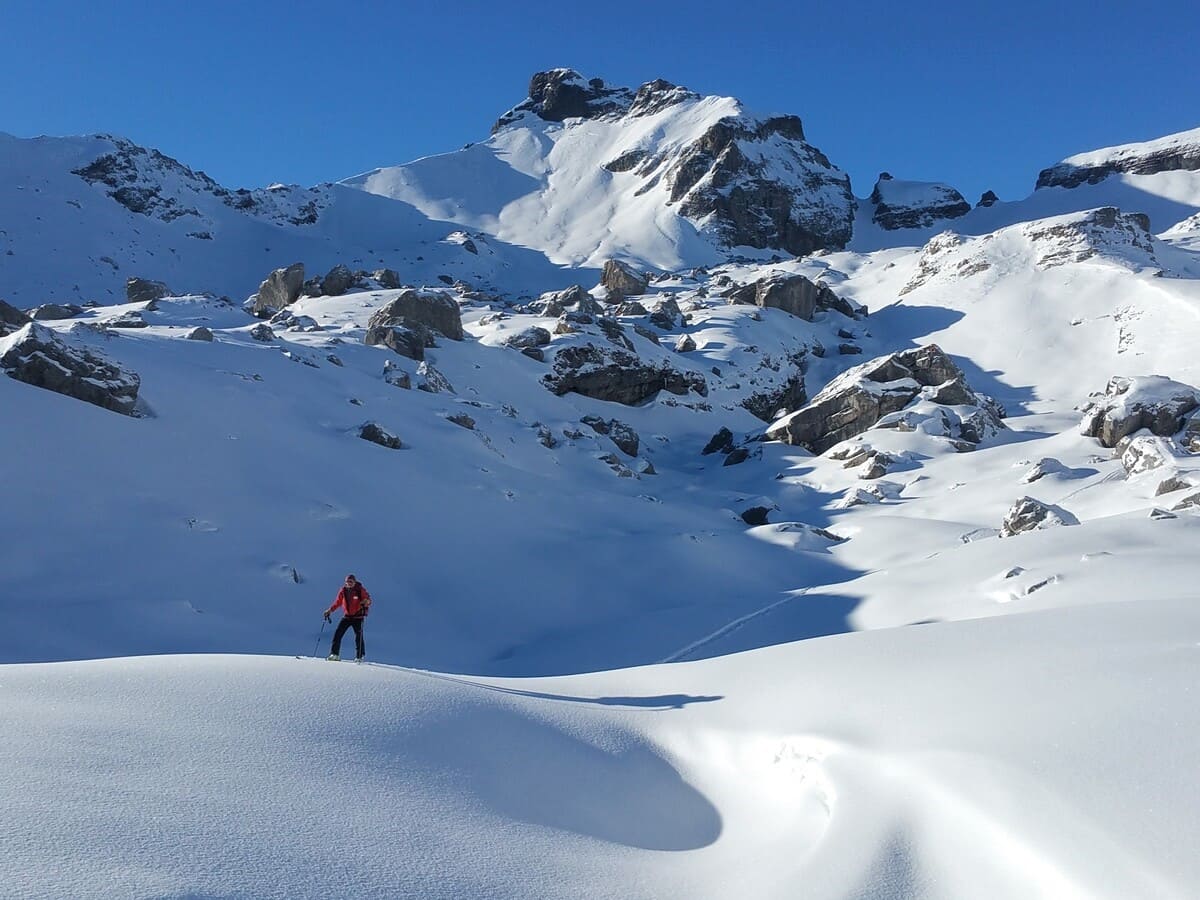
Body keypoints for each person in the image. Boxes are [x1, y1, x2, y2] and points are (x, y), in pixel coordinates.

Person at [323, 574, 372, 661]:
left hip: (358, 616)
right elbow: (338, 602)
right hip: (347, 616)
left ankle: (360, 656)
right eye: (347, 582)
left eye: (351, 582)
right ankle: (334, 654)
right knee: (338, 634)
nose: (349, 583)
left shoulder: (360, 590)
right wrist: (329, 610)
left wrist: (366, 602)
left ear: (354, 582)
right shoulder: (343, 590)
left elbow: (368, 599)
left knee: (358, 636)